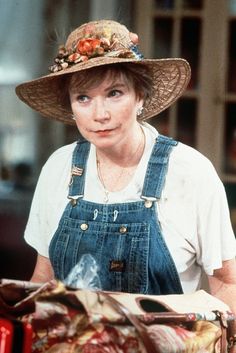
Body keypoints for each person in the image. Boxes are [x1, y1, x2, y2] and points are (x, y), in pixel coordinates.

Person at [16, 19, 236, 347]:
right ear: (71, 106)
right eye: (83, 98)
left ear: (140, 96)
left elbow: (227, 286)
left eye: (114, 93)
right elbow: (43, 280)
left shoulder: (190, 173)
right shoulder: (59, 168)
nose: (99, 113)